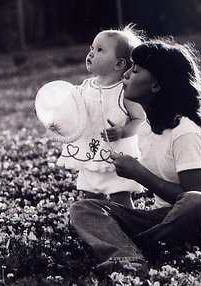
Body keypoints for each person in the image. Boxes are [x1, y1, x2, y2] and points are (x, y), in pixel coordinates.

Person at [69, 38, 201, 275]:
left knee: (193, 202)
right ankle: (129, 257)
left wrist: (138, 173)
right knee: (83, 208)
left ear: (156, 86)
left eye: (135, 70)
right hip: (164, 219)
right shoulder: (145, 127)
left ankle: (134, 246)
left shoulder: (184, 133)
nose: (125, 74)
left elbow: (190, 196)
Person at [57, 25, 146, 208]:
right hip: (90, 153)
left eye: (99, 50)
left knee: (120, 197)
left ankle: (129, 225)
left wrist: (122, 131)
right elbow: (69, 110)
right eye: (91, 48)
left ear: (119, 64)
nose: (91, 53)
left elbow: (140, 120)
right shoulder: (84, 87)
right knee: (91, 197)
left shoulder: (124, 91)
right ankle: (96, 225)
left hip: (116, 159)